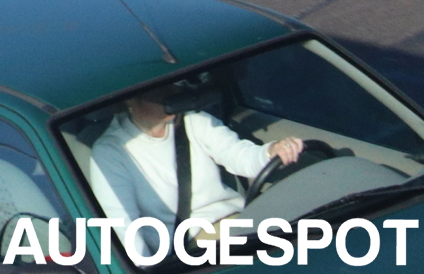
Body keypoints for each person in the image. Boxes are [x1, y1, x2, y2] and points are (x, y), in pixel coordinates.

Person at [86, 86, 307, 239]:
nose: (173, 94)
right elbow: (124, 227)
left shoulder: (194, 120)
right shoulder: (110, 152)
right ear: (130, 99)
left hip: (243, 220)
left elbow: (238, 155)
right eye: (159, 90)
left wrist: (271, 151)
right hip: (193, 243)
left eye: (173, 85)